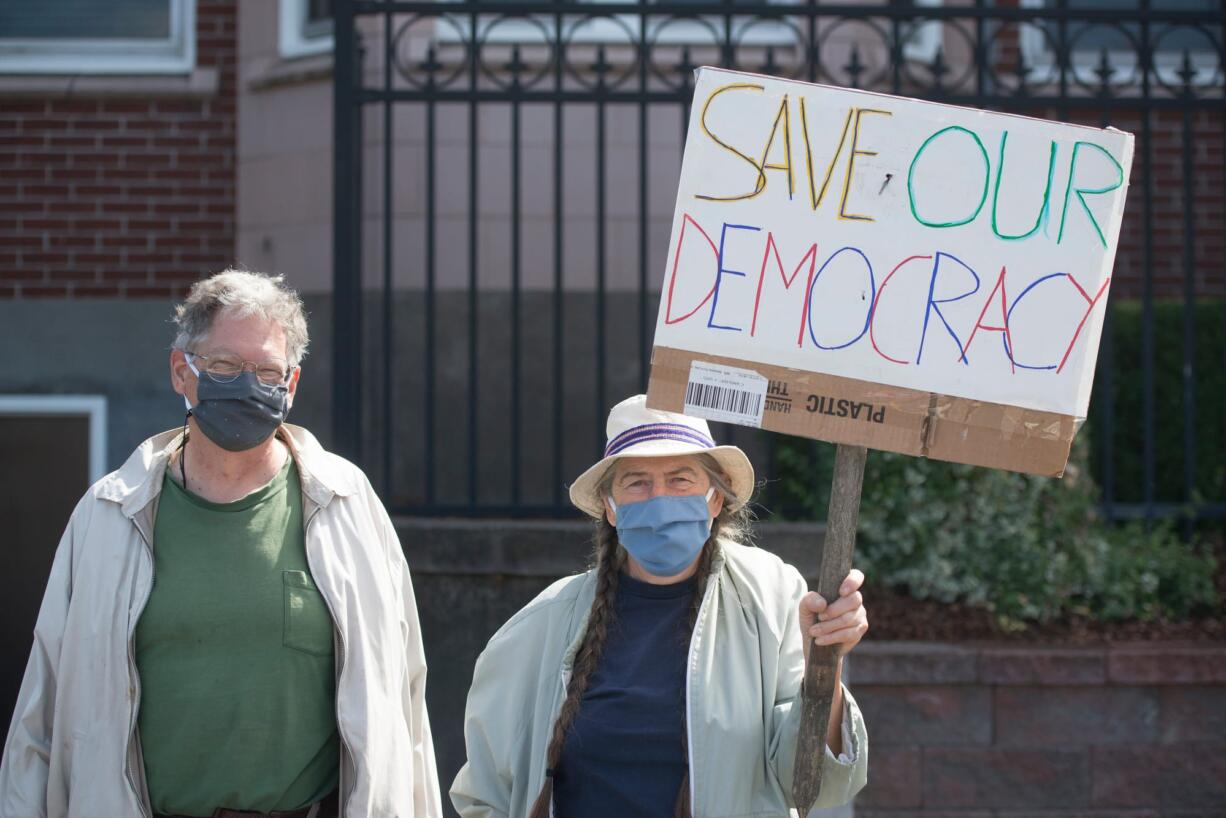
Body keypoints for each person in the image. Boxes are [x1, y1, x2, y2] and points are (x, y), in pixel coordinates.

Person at [0, 270, 441, 818]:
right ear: (181, 373)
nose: (247, 385)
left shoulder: (348, 506)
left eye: (266, 371)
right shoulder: (108, 515)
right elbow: (42, 714)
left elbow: (404, 701)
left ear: (292, 385)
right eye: (226, 366)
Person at [451, 394, 869, 818]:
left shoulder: (772, 597)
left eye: (680, 479)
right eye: (637, 482)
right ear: (610, 509)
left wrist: (826, 665)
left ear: (716, 498)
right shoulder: (542, 624)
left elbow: (812, 782)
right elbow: (485, 794)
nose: (659, 499)